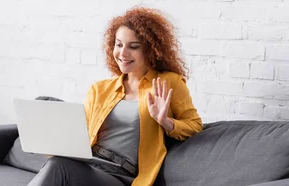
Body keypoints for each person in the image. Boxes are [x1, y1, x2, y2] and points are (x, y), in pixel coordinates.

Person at [27, 6, 203, 186]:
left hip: (121, 174)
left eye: (133, 47)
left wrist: (165, 121)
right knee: (57, 163)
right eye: (119, 44)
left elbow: (195, 126)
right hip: (90, 164)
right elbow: (82, 136)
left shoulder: (167, 83)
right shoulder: (100, 89)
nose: (123, 53)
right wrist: (57, 146)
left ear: (150, 50)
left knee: (59, 167)